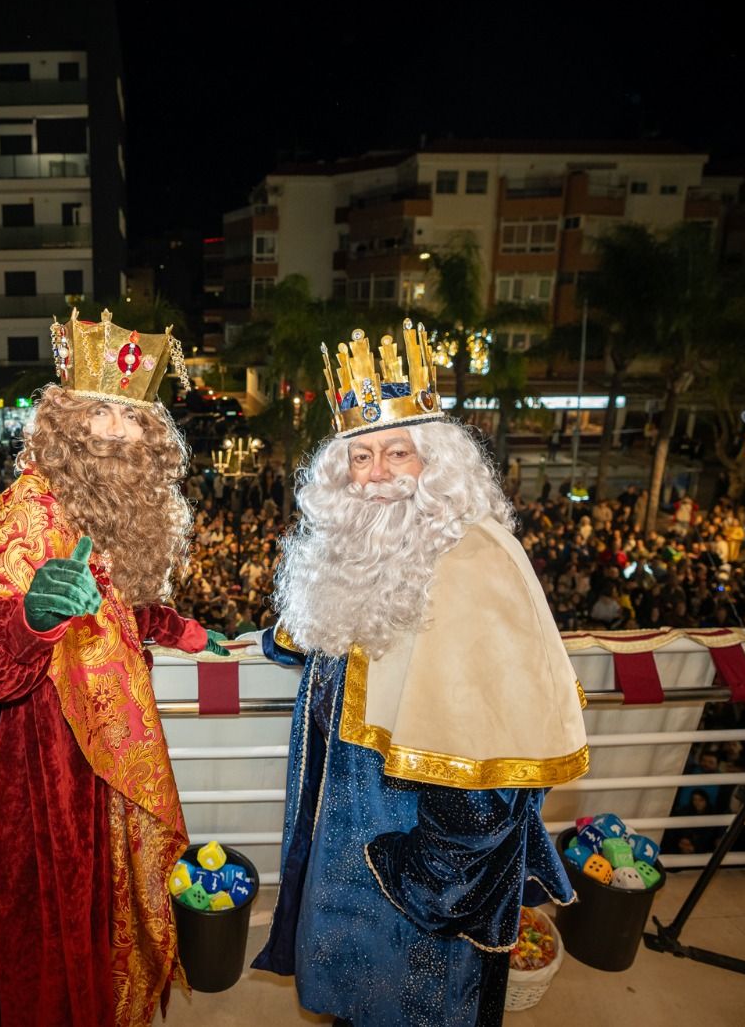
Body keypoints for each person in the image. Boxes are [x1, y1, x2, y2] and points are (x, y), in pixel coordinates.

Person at [252, 325, 589, 1027]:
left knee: (416, 1007)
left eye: (396, 452)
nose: (374, 475)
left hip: (411, 874)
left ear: (436, 464)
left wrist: (431, 873)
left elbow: (498, 758)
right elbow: (348, 644)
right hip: (348, 856)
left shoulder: (473, 558)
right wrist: (290, 635)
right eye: (360, 457)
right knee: (353, 1006)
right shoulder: (362, 546)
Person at [0, 310, 226, 1027]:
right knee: (56, 939)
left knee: (105, 918)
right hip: (42, 769)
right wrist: (30, 619)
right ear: (65, 423)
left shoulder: (112, 509)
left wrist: (178, 628)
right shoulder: (23, 512)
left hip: (106, 760)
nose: (116, 432)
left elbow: (115, 610)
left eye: (131, 416)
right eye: (99, 411)